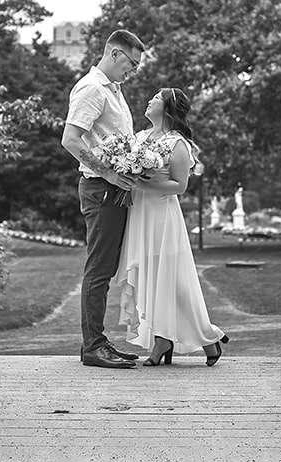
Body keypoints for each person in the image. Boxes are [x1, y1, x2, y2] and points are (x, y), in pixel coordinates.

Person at [113, 88, 228, 366]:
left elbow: (180, 186)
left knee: (173, 281)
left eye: (155, 98)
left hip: (163, 217)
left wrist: (145, 183)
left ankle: (201, 337)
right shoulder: (139, 138)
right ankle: (164, 337)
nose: (149, 100)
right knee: (150, 278)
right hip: (139, 214)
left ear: (166, 108)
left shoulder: (177, 143)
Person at [61, 29, 147, 369]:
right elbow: (71, 139)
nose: (134, 70)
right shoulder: (92, 89)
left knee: (106, 268)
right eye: (132, 63)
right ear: (114, 54)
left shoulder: (114, 90)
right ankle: (93, 346)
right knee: (98, 269)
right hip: (101, 189)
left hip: (114, 190)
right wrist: (109, 174)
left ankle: (98, 341)